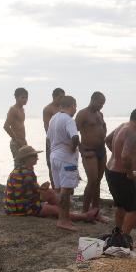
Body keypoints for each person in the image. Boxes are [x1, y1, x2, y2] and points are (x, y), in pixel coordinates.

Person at [4, 145, 99, 222]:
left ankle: (67, 212)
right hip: (23, 209)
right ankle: (84, 216)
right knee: (55, 207)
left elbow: (29, 192)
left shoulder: (18, 170)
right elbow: (35, 194)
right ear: (26, 158)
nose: (37, 158)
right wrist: (45, 191)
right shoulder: (27, 173)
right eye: (34, 156)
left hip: (14, 207)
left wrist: (44, 189)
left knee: (50, 192)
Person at [105, 107, 136, 240]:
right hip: (122, 175)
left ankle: (117, 233)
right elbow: (125, 156)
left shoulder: (122, 126)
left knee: (121, 205)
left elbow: (107, 140)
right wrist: (130, 172)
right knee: (134, 209)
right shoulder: (132, 133)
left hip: (110, 171)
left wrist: (115, 156)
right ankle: (123, 239)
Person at [46, 95, 81, 231]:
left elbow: (48, 138)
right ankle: (63, 220)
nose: (75, 109)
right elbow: (75, 137)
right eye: (75, 106)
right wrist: (72, 150)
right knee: (66, 191)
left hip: (54, 156)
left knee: (59, 190)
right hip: (66, 159)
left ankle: (63, 218)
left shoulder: (53, 119)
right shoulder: (68, 120)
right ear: (72, 105)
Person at [75, 91, 108, 219]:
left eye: (103, 104)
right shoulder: (83, 114)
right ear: (93, 99)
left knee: (98, 181)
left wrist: (103, 135)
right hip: (89, 150)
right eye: (100, 103)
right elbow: (73, 132)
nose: (101, 106)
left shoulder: (100, 114)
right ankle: (85, 211)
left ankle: (95, 210)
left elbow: (103, 126)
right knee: (92, 180)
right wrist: (81, 149)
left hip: (101, 149)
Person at [42, 87, 65, 188]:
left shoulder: (63, 109)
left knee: (65, 166)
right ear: (54, 97)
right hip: (52, 141)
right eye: (60, 97)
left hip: (63, 142)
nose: (62, 99)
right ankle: (56, 189)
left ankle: (66, 190)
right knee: (52, 167)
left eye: (63, 97)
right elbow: (47, 127)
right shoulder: (48, 109)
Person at [3, 87, 28, 161]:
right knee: (19, 167)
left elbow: (20, 125)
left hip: (23, 141)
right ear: (16, 98)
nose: (25, 99)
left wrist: (23, 140)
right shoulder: (13, 109)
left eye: (26, 97)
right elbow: (6, 126)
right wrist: (16, 140)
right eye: (22, 97)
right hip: (16, 142)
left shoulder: (22, 109)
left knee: (26, 165)